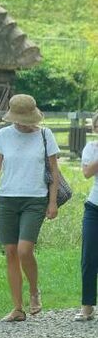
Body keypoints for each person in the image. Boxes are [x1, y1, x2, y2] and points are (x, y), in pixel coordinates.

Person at [0, 95, 61, 323]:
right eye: (19, 119)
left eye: (26, 118)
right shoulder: (3, 136)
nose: (23, 123)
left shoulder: (45, 135)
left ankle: (34, 291)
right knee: (11, 253)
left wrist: (52, 202)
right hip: (7, 199)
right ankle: (17, 308)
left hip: (35, 199)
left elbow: (54, 172)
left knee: (25, 250)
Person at [78, 114, 98, 321]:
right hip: (94, 207)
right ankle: (87, 306)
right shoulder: (91, 148)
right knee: (89, 257)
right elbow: (86, 173)